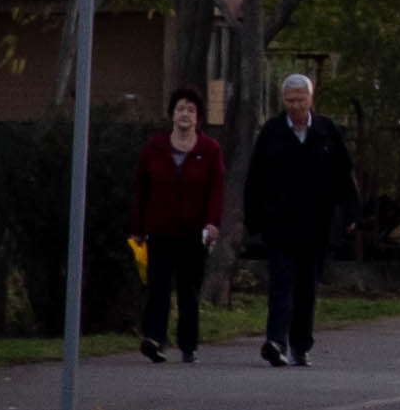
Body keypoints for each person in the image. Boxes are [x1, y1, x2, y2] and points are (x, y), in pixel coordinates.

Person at [238, 71, 355, 369]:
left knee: (306, 288)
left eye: (300, 100)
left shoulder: (326, 132)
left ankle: (301, 345)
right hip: (280, 224)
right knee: (281, 284)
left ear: (311, 99)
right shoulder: (272, 132)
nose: (294, 106)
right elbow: (255, 179)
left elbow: (344, 176)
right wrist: (253, 220)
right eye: (289, 101)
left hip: (316, 225)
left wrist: (351, 213)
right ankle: (275, 341)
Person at [132, 93, 227, 364]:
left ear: (198, 117)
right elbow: (142, 188)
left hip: (193, 230)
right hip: (160, 228)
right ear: (172, 113)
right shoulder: (155, 148)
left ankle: (188, 344)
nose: (185, 114)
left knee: (188, 289)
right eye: (180, 109)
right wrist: (137, 227)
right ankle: (154, 338)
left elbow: (216, 190)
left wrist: (212, 222)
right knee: (158, 285)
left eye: (191, 110)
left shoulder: (209, 149)